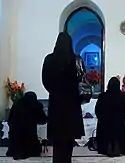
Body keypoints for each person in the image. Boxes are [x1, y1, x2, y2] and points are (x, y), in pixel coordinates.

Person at [42, 32, 84, 163]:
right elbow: (83, 80)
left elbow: (45, 80)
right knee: (68, 141)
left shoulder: (49, 59)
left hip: (56, 105)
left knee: (58, 141)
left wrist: (55, 92)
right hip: (72, 105)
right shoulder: (76, 59)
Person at [95, 77, 125, 157]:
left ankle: (104, 148)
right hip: (119, 124)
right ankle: (121, 148)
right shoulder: (122, 96)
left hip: (105, 124)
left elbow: (97, 110)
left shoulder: (102, 96)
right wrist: (121, 118)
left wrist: (101, 119)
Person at [6, 91, 47, 160]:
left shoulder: (16, 103)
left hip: (14, 136)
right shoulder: (37, 104)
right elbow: (42, 120)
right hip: (29, 136)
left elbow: (9, 120)